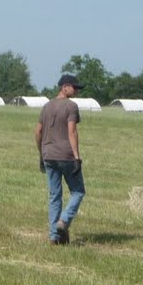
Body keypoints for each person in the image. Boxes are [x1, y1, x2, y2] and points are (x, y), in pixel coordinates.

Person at [35, 73, 85, 244]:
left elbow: (38, 132)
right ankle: (63, 221)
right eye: (74, 87)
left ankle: (53, 237)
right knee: (78, 192)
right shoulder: (71, 106)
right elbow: (72, 131)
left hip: (48, 155)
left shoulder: (47, 106)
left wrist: (41, 154)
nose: (77, 90)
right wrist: (77, 157)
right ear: (64, 87)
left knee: (54, 195)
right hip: (66, 155)